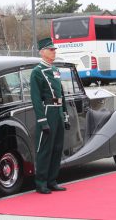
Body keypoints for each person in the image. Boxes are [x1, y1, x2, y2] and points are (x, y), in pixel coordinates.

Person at [30, 37, 70, 194]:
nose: (54, 52)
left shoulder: (55, 70)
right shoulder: (37, 72)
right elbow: (35, 99)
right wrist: (42, 120)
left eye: (54, 50)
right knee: (45, 149)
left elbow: (62, 95)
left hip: (58, 111)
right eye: (51, 50)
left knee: (57, 148)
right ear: (42, 52)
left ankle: (52, 180)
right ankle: (41, 182)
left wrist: (65, 114)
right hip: (47, 111)